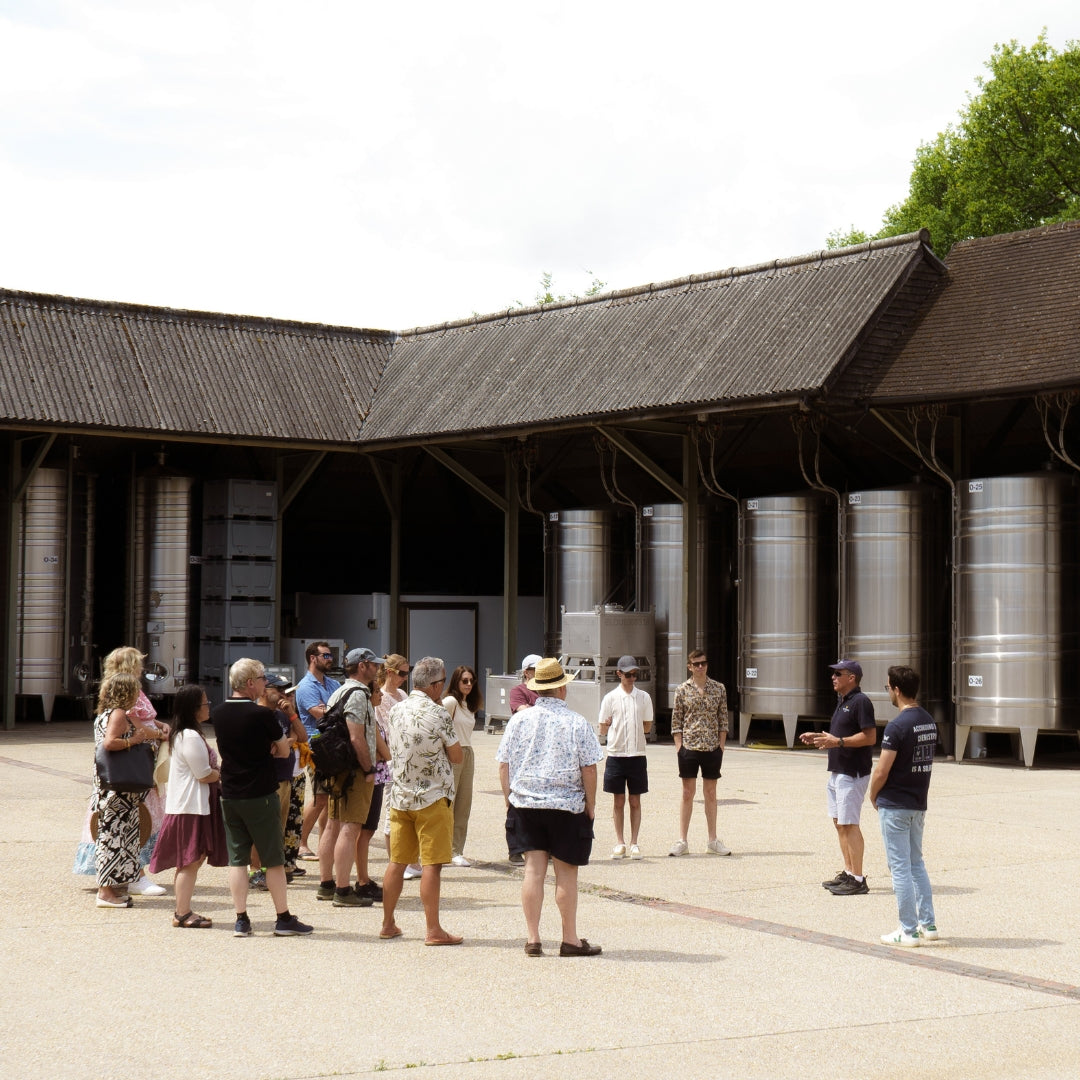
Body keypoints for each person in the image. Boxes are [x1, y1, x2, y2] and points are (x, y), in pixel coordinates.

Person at [497, 657, 604, 957]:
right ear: (561, 689)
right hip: (567, 805)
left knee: (533, 870)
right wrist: (590, 805)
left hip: (527, 803)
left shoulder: (519, 720)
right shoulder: (577, 722)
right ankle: (569, 939)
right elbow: (590, 768)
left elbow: (504, 765)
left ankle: (533, 938)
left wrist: (510, 800)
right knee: (566, 873)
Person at [212, 657, 313, 937]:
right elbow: (283, 751)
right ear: (249, 683)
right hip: (260, 791)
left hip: (230, 791)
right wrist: (272, 745)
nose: (265, 684)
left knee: (238, 860)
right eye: (261, 679)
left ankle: (241, 918)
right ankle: (283, 917)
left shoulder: (218, 713)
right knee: (274, 859)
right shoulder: (263, 716)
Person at [380, 656, 463, 945]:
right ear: (436, 685)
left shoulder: (396, 709)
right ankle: (433, 929)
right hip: (432, 796)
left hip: (401, 796)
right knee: (432, 864)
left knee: (397, 862)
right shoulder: (439, 713)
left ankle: (388, 922)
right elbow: (456, 756)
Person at [74, 646, 170, 895]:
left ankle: (123, 877)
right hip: (120, 781)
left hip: (117, 780)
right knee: (119, 833)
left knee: (125, 831)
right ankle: (120, 882)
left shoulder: (112, 708)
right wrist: (140, 739)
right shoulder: (119, 712)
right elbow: (113, 741)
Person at [147, 683, 227, 927]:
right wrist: (220, 773)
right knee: (190, 861)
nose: (208, 706)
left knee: (192, 860)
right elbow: (202, 774)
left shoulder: (187, 734)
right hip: (190, 807)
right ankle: (182, 912)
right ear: (194, 708)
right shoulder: (189, 736)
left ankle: (184, 910)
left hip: (191, 805)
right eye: (205, 703)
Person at [870, 665, 939, 946]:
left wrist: (872, 795)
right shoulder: (928, 721)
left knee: (899, 868)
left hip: (895, 803)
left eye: (888, 687)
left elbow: (881, 770)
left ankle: (908, 930)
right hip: (917, 802)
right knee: (916, 864)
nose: (888, 691)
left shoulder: (897, 726)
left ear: (897, 690)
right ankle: (928, 924)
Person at [799, 659, 877, 895]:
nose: (833, 677)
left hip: (852, 773)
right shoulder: (843, 701)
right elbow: (840, 734)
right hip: (837, 771)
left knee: (849, 824)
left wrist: (838, 741)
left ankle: (858, 879)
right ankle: (848, 872)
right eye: (833, 674)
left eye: (838, 674)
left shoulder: (861, 702)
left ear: (851, 677)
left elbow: (870, 737)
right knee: (838, 823)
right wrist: (820, 737)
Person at [92, 672, 169, 908]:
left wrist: (155, 734)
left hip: (117, 788)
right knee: (112, 838)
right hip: (118, 790)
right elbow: (109, 743)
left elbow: (144, 732)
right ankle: (105, 893)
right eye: (135, 691)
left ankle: (116, 889)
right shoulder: (117, 715)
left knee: (123, 838)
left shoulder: (108, 714)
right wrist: (132, 742)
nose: (138, 695)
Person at [315, 647, 380, 909]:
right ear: (362, 666)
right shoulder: (359, 694)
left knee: (333, 823)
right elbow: (356, 737)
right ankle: (343, 890)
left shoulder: (338, 691)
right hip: (353, 771)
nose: (377, 669)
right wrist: (369, 769)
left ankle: (326, 884)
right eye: (374, 664)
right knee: (350, 827)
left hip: (336, 769)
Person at [669, 649, 731, 856]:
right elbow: (676, 721)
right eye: (696, 664)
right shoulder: (682, 690)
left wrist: (721, 746)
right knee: (687, 793)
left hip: (712, 747)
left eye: (703, 663)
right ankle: (682, 841)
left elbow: (723, 719)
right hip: (689, 747)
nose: (700, 667)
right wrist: (680, 748)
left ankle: (712, 840)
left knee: (711, 793)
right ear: (689, 667)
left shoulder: (719, 688)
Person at [599, 655, 653, 859]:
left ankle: (634, 842)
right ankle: (620, 841)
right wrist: (608, 724)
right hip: (616, 754)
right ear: (619, 674)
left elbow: (647, 725)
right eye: (628, 674)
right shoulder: (610, 698)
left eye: (635, 674)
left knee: (635, 800)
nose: (632, 678)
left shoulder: (644, 697)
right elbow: (602, 728)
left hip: (637, 754)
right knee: (618, 800)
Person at [296, 641, 341, 860]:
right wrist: (334, 709)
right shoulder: (306, 686)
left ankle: (325, 841)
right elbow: (320, 713)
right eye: (326, 655)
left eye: (331, 655)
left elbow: (336, 708)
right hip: (316, 748)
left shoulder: (332, 683)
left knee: (329, 798)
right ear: (313, 658)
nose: (330, 659)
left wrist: (332, 709)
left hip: (332, 746)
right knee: (319, 798)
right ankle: (300, 843)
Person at [353, 671, 392, 903]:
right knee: (365, 832)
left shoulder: (373, 717)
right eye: (377, 691)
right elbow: (382, 751)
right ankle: (362, 880)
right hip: (373, 778)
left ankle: (363, 878)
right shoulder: (370, 719)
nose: (380, 694)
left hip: (378, 777)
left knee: (366, 832)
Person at [443, 665, 482, 867]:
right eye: (464, 680)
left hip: (468, 752)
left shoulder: (469, 704)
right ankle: (443, 848)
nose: (468, 684)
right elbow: (440, 727)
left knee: (464, 804)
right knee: (448, 802)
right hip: (453, 752)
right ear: (456, 682)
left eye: (471, 681)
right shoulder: (451, 702)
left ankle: (456, 849)